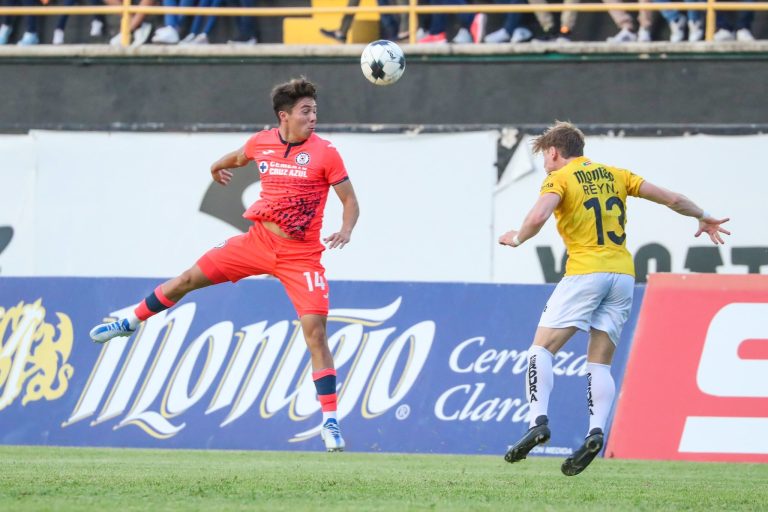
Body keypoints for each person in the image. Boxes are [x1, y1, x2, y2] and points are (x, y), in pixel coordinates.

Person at [89, 77, 360, 453]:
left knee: (315, 333)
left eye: (315, 110)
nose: (313, 117)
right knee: (187, 279)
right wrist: (215, 167)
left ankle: (330, 421)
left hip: (300, 256)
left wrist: (345, 229)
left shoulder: (326, 153)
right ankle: (129, 322)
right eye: (305, 111)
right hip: (257, 243)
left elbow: (350, 201)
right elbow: (236, 158)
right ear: (284, 116)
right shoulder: (262, 142)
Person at [498, 121, 730, 476]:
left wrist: (517, 238)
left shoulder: (559, 178)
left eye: (545, 156)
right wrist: (703, 216)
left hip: (584, 273)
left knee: (540, 350)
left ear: (555, 152)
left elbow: (539, 214)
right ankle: (595, 431)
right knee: (600, 363)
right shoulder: (616, 174)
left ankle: (537, 422)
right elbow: (672, 199)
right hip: (622, 276)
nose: (545, 163)